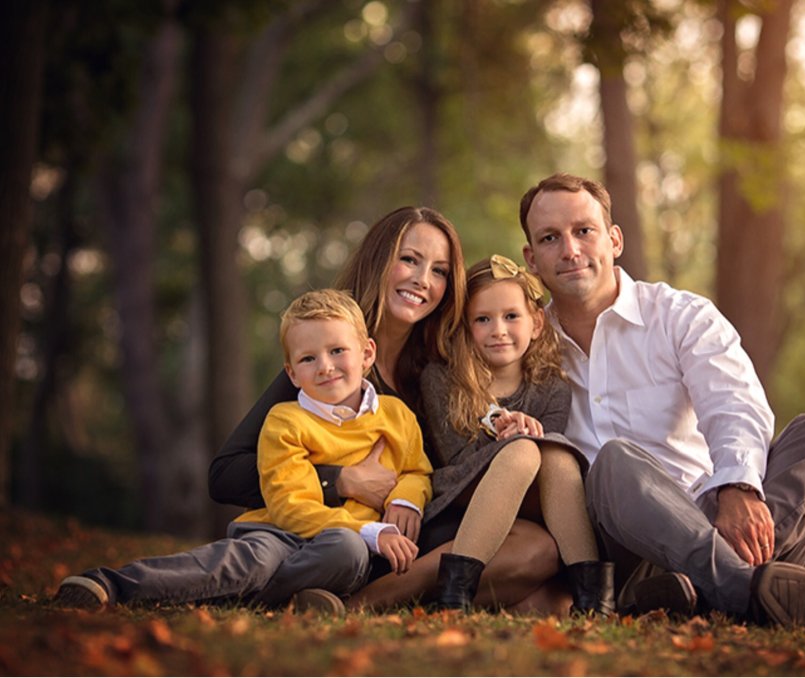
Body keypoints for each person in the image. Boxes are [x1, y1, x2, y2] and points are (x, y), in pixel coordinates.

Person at [518, 173, 805, 627]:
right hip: (621, 542)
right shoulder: (522, 342)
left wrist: (737, 486)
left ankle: (708, 593)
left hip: (714, 514)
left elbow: (733, 401)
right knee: (613, 462)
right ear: (531, 258)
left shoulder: (679, 315)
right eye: (550, 238)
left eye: (584, 231)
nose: (570, 250)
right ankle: (754, 593)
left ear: (614, 240)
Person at [207, 206, 563, 611]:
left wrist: (501, 429)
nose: (421, 280)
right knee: (534, 584)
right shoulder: (332, 357)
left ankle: (362, 602)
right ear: (379, 260)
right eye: (409, 259)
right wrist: (341, 480)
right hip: (341, 538)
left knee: (537, 552)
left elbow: (447, 468)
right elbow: (225, 475)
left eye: (439, 271)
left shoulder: (436, 365)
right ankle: (357, 601)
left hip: (414, 534)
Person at [54, 289, 431, 613]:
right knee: (252, 561)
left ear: (366, 354)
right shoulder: (286, 421)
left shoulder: (396, 415)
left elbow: (416, 471)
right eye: (308, 358)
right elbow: (289, 506)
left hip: (341, 547)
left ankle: (264, 598)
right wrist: (371, 530)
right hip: (278, 532)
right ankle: (111, 584)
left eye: (337, 351)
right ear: (291, 373)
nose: (325, 367)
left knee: (347, 552)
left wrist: (406, 501)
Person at [419, 255, 613, 614]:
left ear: (537, 322)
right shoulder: (443, 380)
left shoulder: (553, 389)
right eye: (482, 319)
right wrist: (507, 438)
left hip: (529, 510)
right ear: (465, 327)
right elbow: (457, 461)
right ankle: (453, 597)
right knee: (524, 451)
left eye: (511, 316)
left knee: (555, 454)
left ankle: (594, 602)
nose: (499, 330)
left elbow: (548, 478)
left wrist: (530, 436)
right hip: (458, 504)